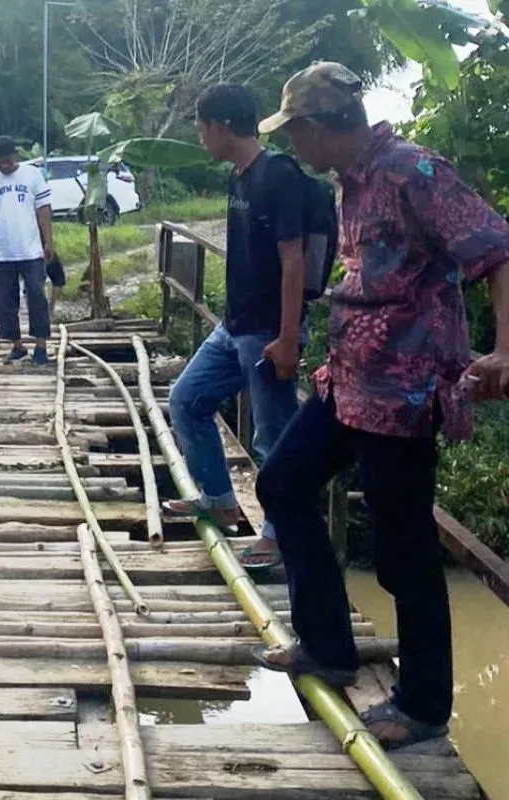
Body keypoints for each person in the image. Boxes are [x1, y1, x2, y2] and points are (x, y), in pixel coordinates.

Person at [253, 62, 509, 750]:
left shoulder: (412, 172)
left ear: (316, 127)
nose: (292, 146)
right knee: (281, 483)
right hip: (350, 380)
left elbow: (497, 251)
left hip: (405, 389)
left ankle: (424, 706)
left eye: (293, 132)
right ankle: (330, 646)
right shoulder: (350, 184)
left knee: (404, 552)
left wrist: (505, 350)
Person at [164, 83, 308, 570]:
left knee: (273, 434)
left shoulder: (278, 175)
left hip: (268, 330)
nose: (201, 137)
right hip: (233, 326)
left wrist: (288, 338)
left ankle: (280, 534)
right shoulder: (238, 177)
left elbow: (295, 261)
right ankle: (221, 498)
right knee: (187, 399)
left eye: (202, 127)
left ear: (221, 126)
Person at [0, 136, 54, 365]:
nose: (6, 166)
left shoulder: (32, 176)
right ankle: (17, 346)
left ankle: (41, 347)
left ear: (16, 155)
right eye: (1, 162)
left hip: (31, 250)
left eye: (8, 160)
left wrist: (48, 242)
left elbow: (44, 211)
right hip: (0, 252)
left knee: (37, 298)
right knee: (4, 302)